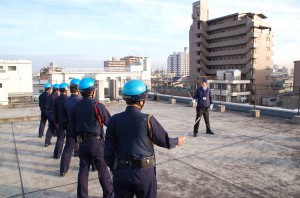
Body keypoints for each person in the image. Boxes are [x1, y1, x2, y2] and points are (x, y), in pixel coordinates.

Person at [104, 79, 186, 198]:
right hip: (144, 173)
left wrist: (115, 168)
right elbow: (164, 141)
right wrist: (177, 141)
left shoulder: (114, 120)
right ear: (142, 100)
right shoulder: (148, 120)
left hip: (121, 171)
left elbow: (108, 151)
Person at [71, 78, 114, 198]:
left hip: (82, 143)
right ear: (93, 91)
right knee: (103, 171)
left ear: (80, 92)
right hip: (96, 142)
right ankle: (109, 195)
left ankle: (82, 195)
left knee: (83, 171)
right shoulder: (97, 105)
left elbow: (73, 126)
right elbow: (109, 123)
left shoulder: (75, 107)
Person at [59, 78, 81, 176]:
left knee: (68, 149)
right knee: (88, 148)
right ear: (78, 89)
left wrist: (65, 127)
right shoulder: (81, 101)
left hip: (70, 128)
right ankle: (93, 166)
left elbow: (63, 117)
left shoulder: (66, 101)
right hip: (81, 129)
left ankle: (63, 170)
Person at [53, 83, 69, 159]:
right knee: (72, 139)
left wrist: (57, 122)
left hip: (60, 121)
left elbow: (54, 112)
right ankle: (76, 152)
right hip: (69, 122)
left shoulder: (56, 99)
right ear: (66, 90)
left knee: (60, 139)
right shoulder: (68, 99)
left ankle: (57, 154)